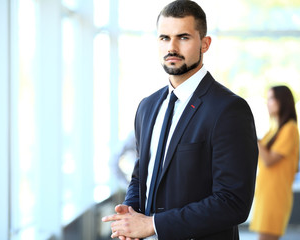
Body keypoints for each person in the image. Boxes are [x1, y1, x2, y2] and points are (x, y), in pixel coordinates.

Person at [102, 0, 258, 239]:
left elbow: (233, 202)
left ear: (204, 44)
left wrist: (153, 224)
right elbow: (140, 174)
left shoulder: (229, 109)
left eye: (183, 37)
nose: (171, 47)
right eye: (164, 38)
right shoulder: (147, 106)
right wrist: (131, 210)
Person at [249, 86, 299, 240]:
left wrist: (254, 137)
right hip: (266, 194)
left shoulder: (290, 129)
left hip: (275, 195)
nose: (267, 103)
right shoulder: (274, 130)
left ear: (282, 102)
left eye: (271, 99)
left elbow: (269, 160)